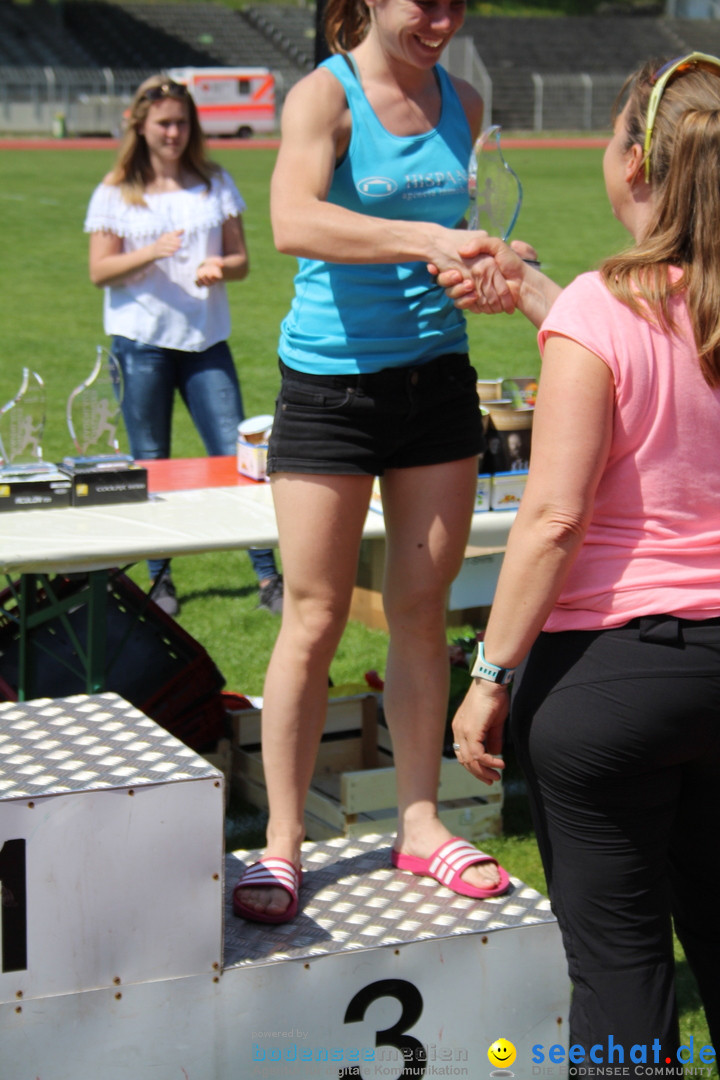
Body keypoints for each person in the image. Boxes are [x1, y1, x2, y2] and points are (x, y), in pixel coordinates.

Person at [448, 53, 720, 1069]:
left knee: (620, 977)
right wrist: (536, 294)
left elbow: (553, 516)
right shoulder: (600, 311)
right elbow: (669, 344)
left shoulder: (602, 311)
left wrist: (488, 679)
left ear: (637, 162)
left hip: (609, 684)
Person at [232, 0, 517, 924]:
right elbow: (293, 222)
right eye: (422, 1)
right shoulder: (326, 96)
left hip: (436, 382)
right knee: (311, 620)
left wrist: (478, 268)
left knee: (421, 614)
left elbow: (453, 235)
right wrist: (428, 238)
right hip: (330, 389)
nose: (441, 18)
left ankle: (421, 822)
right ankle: (280, 843)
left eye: (454, 2)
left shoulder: (464, 102)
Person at [84, 75, 283, 617]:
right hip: (140, 344)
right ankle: (159, 582)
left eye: (182, 122)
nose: (173, 132)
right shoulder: (117, 191)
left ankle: (268, 578)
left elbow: (241, 260)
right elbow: (100, 270)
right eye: (163, 123)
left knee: (240, 458)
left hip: (205, 342)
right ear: (141, 126)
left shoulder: (214, 183)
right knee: (150, 463)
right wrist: (150, 251)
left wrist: (222, 265)